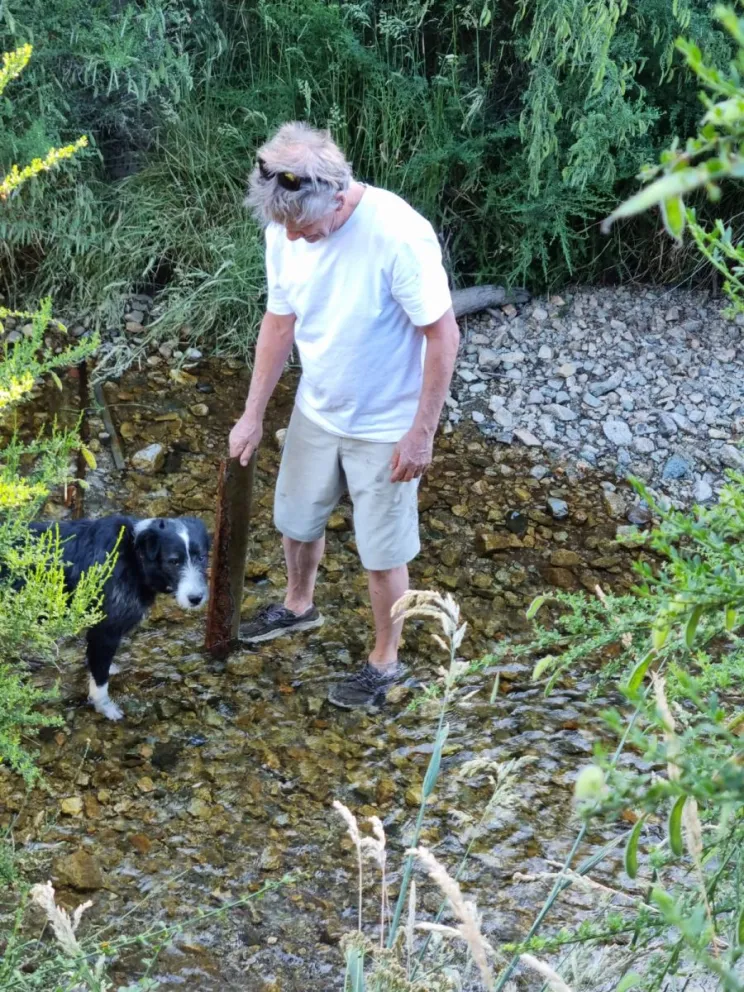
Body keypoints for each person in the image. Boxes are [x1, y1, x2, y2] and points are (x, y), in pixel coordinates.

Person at [229, 122, 459, 709]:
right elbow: (279, 322)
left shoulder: (398, 234)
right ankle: (299, 606)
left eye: (304, 228)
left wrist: (421, 434)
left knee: (383, 554)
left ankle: (386, 662)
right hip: (318, 406)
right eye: (285, 228)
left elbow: (443, 335)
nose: (295, 239)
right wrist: (253, 414)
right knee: (295, 520)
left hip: (386, 425)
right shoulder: (285, 227)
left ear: (336, 192)